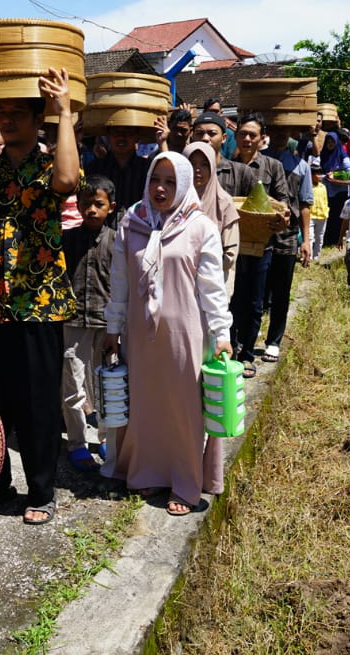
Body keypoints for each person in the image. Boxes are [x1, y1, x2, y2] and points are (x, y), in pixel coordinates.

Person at [0, 68, 80, 525]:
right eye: (1, 113)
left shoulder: (49, 167)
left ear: (35, 118)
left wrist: (64, 109)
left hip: (39, 303)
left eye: (16, 113)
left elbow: (69, 182)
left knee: (38, 401)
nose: (6, 120)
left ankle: (42, 491)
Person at [103, 152, 232, 516]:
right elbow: (120, 279)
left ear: (186, 185)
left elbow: (212, 286)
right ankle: (146, 472)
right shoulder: (133, 220)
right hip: (141, 332)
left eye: (171, 181)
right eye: (156, 179)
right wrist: (113, 327)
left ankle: (185, 482)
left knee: (184, 408)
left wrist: (221, 333)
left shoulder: (200, 226)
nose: (161, 188)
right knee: (145, 403)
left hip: (186, 332)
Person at [226, 114, 290, 378]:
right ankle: (230, 348)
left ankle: (247, 354)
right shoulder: (226, 166)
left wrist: (281, 217)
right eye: (242, 134)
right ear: (236, 136)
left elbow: (285, 204)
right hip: (230, 244)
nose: (247, 139)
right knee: (230, 300)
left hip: (261, 245)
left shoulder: (273, 167)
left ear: (262, 137)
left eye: (252, 135)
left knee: (254, 301)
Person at [60, 176, 116, 474]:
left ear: (111, 207)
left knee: (106, 384)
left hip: (107, 325)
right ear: (78, 206)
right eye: (86, 204)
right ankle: (77, 443)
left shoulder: (118, 242)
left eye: (99, 204)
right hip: (73, 321)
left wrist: (117, 326)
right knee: (73, 383)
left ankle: (107, 438)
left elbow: (123, 286)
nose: (92, 210)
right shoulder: (67, 239)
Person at [259, 122, 313, 363]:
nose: (280, 134)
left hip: (288, 235)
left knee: (281, 290)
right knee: (255, 290)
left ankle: (273, 341)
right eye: (276, 129)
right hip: (259, 231)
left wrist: (306, 241)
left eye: (285, 130)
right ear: (268, 132)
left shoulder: (302, 166)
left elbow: (305, 205)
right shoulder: (258, 161)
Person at [182, 142, 240, 288]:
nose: (197, 170)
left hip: (213, 284)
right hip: (179, 282)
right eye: (191, 163)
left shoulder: (224, 202)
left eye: (204, 165)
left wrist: (196, 265)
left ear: (213, 168)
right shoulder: (175, 200)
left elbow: (230, 255)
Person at [86, 125, 150, 212]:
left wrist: (162, 142)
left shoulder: (147, 168)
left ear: (137, 136)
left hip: (139, 224)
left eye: (128, 132)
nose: (121, 137)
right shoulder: (94, 168)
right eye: (116, 132)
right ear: (108, 136)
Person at [189, 113, 254, 197]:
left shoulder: (241, 172)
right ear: (192, 136)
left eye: (212, 133)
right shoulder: (185, 170)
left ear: (224, 138)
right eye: (199, 133)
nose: (205, 138)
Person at [307, 161, 329, 260]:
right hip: (311, 215)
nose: (320, 176)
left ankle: (317, 256)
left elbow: (325, 199)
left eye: (321, 173)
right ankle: (309, 256)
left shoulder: (323, 187)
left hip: (322, 215)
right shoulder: (307, 186)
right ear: (311, 175)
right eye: (317, 174)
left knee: (320, 237)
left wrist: (326, 210)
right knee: (310, 237)